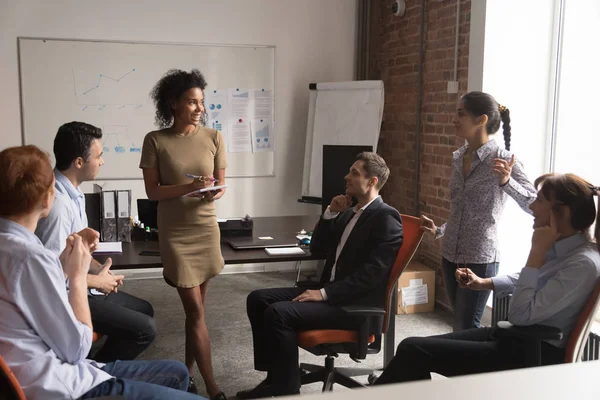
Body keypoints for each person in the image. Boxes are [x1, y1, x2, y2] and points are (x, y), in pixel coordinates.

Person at [0, 145, 204, 400]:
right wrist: (77, 276)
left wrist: (63, 265)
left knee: (176, 372)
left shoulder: (14, 248)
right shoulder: (30, 257)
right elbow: (76, 349)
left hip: (56, 370)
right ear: (46, 198)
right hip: (67, 386)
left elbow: (30, 295)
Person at [374, 172, 600, 385]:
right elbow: (534, 278)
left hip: (533, 353)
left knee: (414, 350)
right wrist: (486, 283)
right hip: (517, 339)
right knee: (410, 349)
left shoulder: (582, 264)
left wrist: (535, 253)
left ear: (563, 213)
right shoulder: (567, 248)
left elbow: (520, 315)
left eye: (539, 200)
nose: (531, 207)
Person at [236, 152, 403, 399]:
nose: (346, 176)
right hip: (333, 293)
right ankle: (276, 376)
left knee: (279, 313)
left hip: (353, 306)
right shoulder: (349, 212)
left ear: (372, 181)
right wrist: (329, 214)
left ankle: (286, 386)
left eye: (354, 173)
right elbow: (318, 249)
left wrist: (324, 294)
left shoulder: (386, 217)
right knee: (258, 299)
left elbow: (372, 276)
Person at [35, 121, 157, 363]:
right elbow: (49, 275)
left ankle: (98, 364)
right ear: (79, 162)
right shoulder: (58, 205)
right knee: (145, 330)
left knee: (145, 310)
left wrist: (99, 271)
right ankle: (97, 374)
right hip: (66, 298)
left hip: (82, 285)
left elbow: (75, 253)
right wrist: (95, 281)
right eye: (99, 156)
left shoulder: (75, 193)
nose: (102, 162)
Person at [140, 69, 227, 399]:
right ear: (173, 103)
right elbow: (153, 192)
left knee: (198, 313)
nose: (199, 108)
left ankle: (186, 375)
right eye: (192, 102)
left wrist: (210, 192)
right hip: (176, 234)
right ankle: (214, 389)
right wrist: (189, 186)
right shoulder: (156, 140)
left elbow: (219, 187)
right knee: (195, 312)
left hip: (206, 229)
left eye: (201, 102)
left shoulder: (214, 137)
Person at [420, 91, 537, 331]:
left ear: (481, 120)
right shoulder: (458, 157)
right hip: (450, 252)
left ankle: (471, 368)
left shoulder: (503, 160)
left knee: (466, 326)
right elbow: (462, 211)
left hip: (480, 258)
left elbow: (534, 205)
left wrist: (507, 182)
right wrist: (439, 230)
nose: (454, 119)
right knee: (460, 324)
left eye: (460, 114)